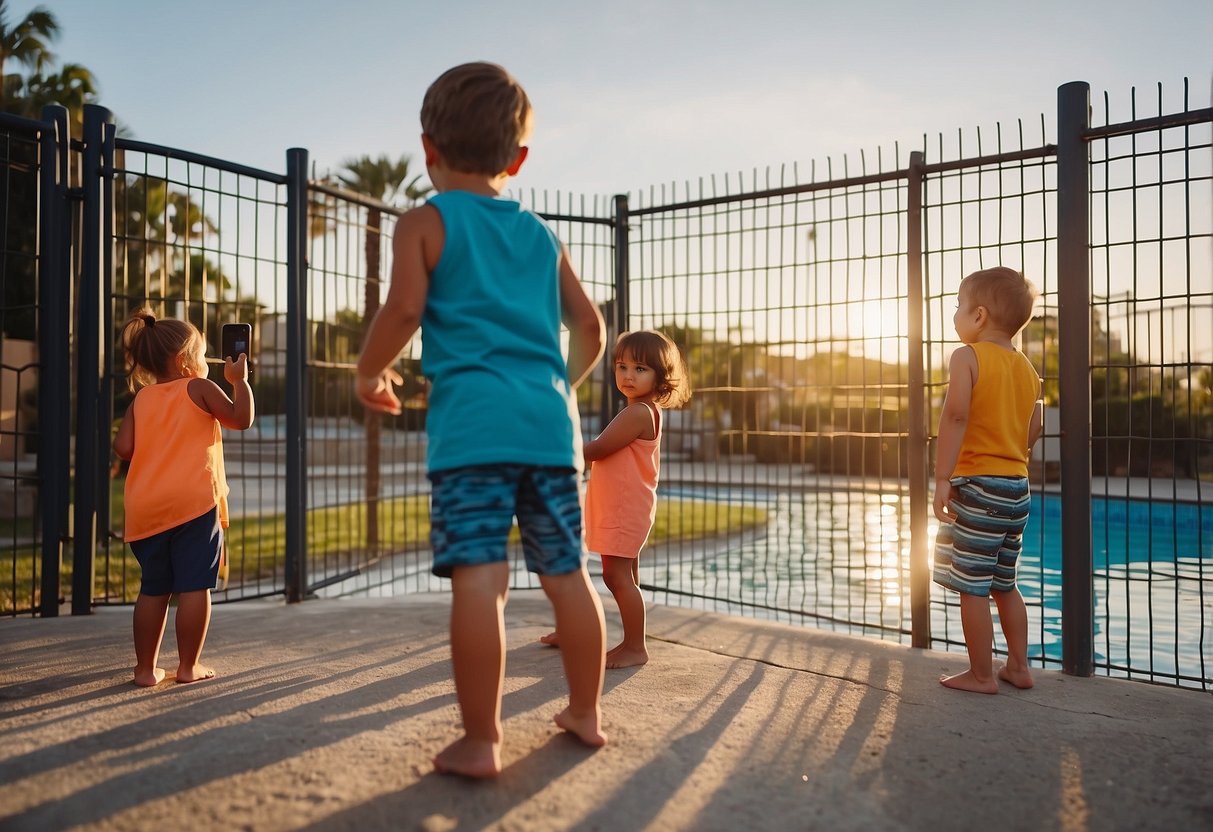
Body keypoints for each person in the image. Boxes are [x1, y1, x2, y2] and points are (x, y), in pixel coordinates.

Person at [355, 62, 608, 778]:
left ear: (427, 148)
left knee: (480, 581)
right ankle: (585, 713)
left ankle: (481, 740)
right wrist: (559, 387)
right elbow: (590, 328)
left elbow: (403, 310)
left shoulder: (424, 223)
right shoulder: (539, 235)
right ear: (518, 159)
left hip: (472, 435)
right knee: (567, 576)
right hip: (548, 431)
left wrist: (369, 372)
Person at [113, 308, 254, 687]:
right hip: (193, 504)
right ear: (184, 360)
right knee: (194, 585)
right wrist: (239, 381)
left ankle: (145, 670)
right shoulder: (200, 388)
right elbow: (241, 419)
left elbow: (123, 447)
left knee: (154, 587)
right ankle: (188, 667)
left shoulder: (141, 400)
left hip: (146, 509)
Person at [540, 330, 691, 669]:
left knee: (616, 576)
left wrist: (559, 450)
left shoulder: (637, 414)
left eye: (640, 369)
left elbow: (597, 450)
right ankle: (579, 631)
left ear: (660, 375)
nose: (627, 376)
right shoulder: (641, 410)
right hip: (625, 504)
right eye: (622, 366)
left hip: (624, 508)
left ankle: (635, 646)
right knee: (625, 576)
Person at [932, 266, 1043, 694]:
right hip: (1017, 487)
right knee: (1004, 584)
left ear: (978, 316)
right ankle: (1018, 666)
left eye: (959, 306)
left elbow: (955, 415)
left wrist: (943, 478)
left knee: (971, 586)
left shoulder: (967, 357)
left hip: (978, 487)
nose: (956, 315)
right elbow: (1034, 426)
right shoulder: (1027, 369)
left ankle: (981, 675)